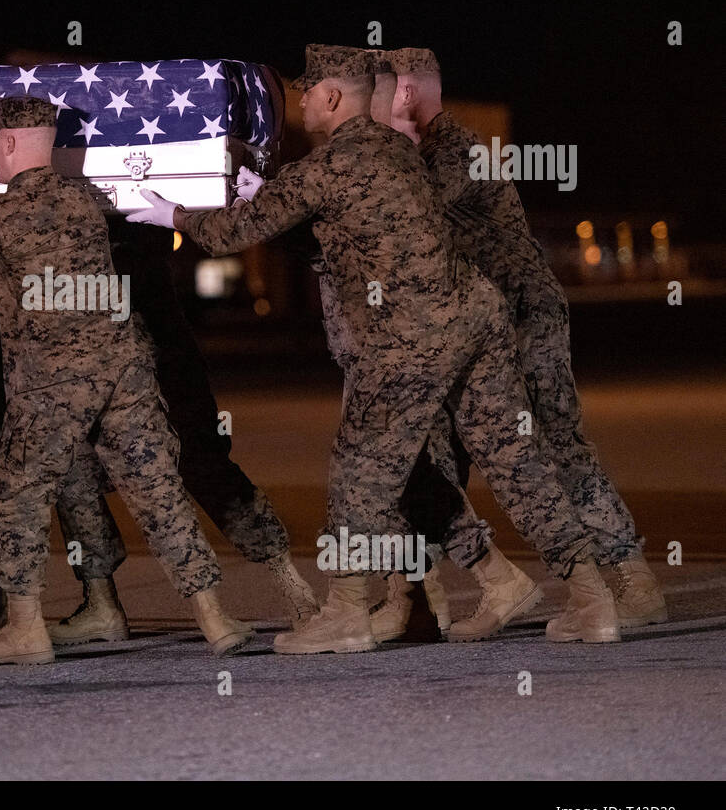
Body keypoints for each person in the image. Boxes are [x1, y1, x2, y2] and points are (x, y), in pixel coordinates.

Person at [129, 45, 621, 652]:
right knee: (516, 460)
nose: (301, 102)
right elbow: (339, 230)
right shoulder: (395, 151)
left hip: (409, 337)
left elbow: (232, 234)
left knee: (359, 473)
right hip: (474, 316)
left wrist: (169, 213)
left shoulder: (332, 163)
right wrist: (265, 192)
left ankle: (345, 612)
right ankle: (594, 601)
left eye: (307, 92)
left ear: (332, 97)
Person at [0, 95, 250, 664]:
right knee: (157, 492)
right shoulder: (86, 201)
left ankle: (25, 631)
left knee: (15, 497)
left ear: (6, 144)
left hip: (53, 380)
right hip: (123, 368)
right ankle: (216, 618)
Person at [389, 46, 666, 635]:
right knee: (439, 451)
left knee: (554, 447)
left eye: (384, 89)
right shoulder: (436, 152)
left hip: (520, 316)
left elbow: (401, 224)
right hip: (477, 320)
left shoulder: (452, 151)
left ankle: (630, 581)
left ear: (408, 94)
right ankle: (428, 594)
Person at [49, 218, 318, 646]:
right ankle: (100, 601)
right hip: (124, 355)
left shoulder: (109, 201)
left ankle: (292, 590)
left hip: (150, 351)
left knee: (200, 464)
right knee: (78, 470)